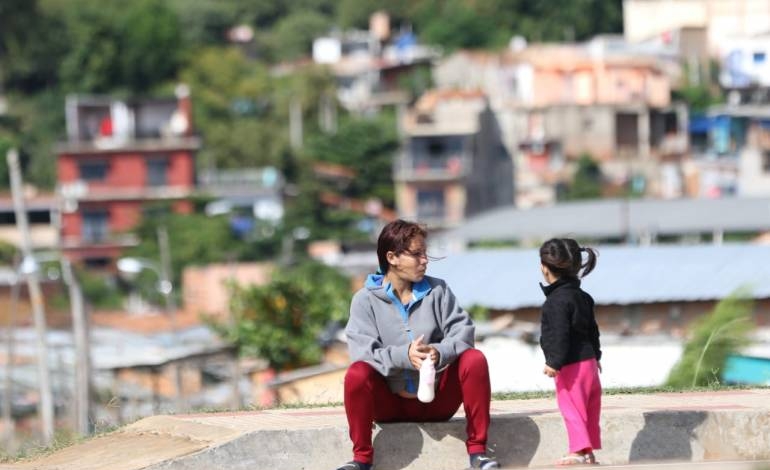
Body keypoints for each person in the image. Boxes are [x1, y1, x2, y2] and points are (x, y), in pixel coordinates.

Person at [337, 219, 500, 470]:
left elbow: (463, 333)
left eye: (425, 253)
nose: (424, 260)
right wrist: (405, 356)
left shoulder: (438, 290)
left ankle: (478, 453)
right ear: (392, 257)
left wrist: (438, 351)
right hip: (388, 404)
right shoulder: (364, 300)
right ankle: (361, 459)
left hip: (437, 402)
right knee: (357, 374)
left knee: (474, 359)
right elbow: (363, 353)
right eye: (416, 254)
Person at [538, 238, 602, 466]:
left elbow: (559, 334)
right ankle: (587, 452)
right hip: (589, 362)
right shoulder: (583, 297)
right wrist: (597, 356)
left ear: (544, 268)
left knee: (571, 407)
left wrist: (553, 362)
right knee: (588, 407)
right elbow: (593, 330)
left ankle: (577, 451)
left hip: (571, 365)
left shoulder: (555, 301)